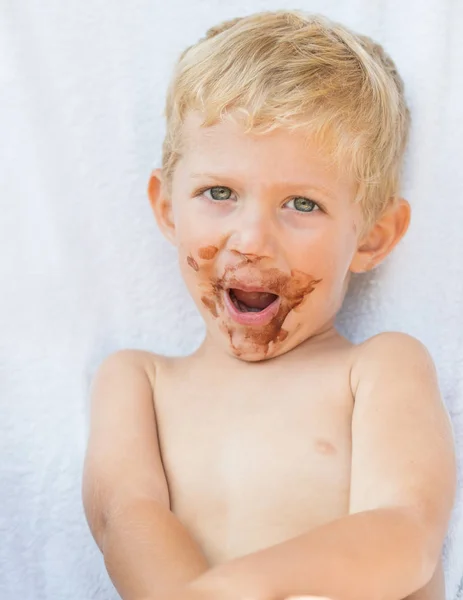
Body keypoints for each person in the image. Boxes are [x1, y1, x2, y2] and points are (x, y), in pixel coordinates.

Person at [82, 10, 456, 600]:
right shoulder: (138, 383)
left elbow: (407, 533)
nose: (252, 239)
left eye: (303, 204)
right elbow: (124, 517)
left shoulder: (380, 370)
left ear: (372, 237)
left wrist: (239, 587)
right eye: (219, 193)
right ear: (167, 208)